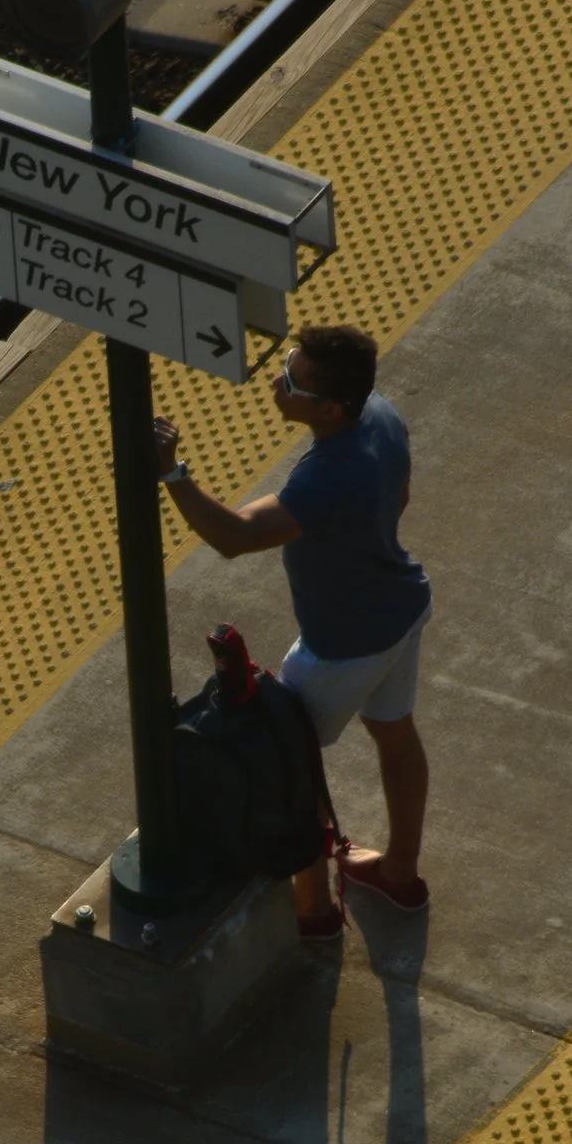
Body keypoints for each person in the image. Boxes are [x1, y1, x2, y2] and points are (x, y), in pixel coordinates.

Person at [154, 323, 432, 936]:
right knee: (395, 734)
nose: (276, 383)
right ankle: (400, 874)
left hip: (341, 651)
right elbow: (403, 496)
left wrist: (172, 474)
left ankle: (316, 913)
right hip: (402, 606)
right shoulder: (379, 416)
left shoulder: (327, 476)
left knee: (285, 767)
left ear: (329, 409)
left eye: (291, 381)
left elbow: (235, 535)